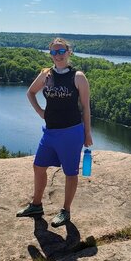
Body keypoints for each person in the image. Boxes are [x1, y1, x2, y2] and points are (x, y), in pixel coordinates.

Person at [16, 37, 93, 227]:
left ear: (69, 52)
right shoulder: (46, 75)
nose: (57, 56)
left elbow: (86, 107)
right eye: (53, 52)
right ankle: (36, 205)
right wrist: (40, 112)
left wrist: (88, 134)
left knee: (70, 172)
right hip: (50, 132)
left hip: (71, 132)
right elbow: (30, 92)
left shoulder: (78, 77)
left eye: (61, 51)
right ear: (50, 54)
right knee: (38, 166)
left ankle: (66, 211)